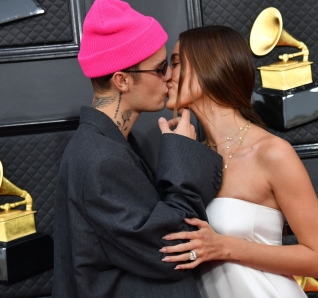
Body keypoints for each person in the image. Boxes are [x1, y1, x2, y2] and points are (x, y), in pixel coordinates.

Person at [53, 1, 222, 297]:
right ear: (122, 80)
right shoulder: (100, 158)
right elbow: (176, 248)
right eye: (160, 68)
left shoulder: (106, 144)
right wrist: (182, 151)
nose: (169, 76)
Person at [161, 25, 318, 297]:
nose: (167, 76)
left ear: (209, 66)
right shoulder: (192, 155)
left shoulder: (272, 152)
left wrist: (224, 247)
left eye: (175, 64)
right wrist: (177, 151)